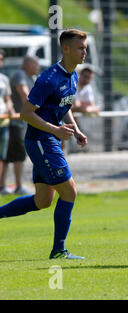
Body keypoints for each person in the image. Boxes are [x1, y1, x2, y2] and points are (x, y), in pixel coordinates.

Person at [0, 29, 88, 260]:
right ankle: (59, 250)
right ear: (66, 49)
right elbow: (26, 113)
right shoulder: (49, 78)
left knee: (43, 201)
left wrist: (75, 129)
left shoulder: (73, 76)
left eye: (85, 48)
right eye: (80, 48)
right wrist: (56, 130)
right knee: (69, 192)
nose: (84, 52)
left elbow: (64, 105)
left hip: (48, 140)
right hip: (41, 141)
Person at [1, 55, 40, 195]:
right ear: (28, 64)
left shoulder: (32, 77)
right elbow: (25, 96)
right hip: (15, 123)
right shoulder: (20, 74)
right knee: (16, 156)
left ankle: (5, 186)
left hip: (21, 123)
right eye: (36, 64)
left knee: (9, 156)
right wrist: (39, 110)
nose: (38, 67)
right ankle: (16, 186)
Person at [0, 48, 16, 194]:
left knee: (3, 157)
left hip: (3, 123)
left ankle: (2, 186)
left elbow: (7, 99)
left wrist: (10, 110)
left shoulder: (4, 79)